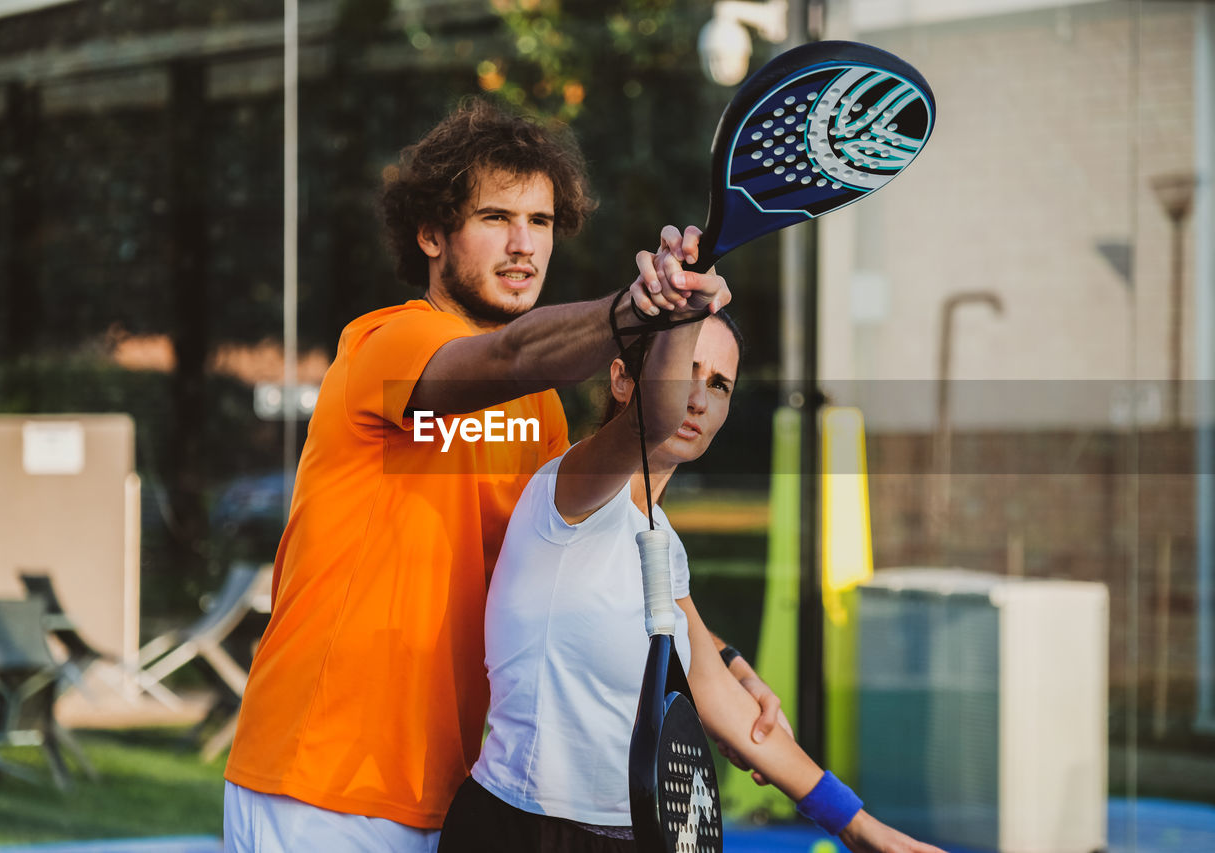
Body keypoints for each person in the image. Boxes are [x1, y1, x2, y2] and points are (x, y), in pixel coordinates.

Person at [222, 98, 782, 852]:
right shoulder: (386, 344)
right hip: (317, 782)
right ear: (430, 234)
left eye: (542, 222)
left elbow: (581, 559)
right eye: (495, 218)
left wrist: (719, 657)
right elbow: (505, 355)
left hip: (449, 792)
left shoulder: (541, 411)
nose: (523, 246)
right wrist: (637, 308)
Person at [436, 299, 949, 853]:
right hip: (522, 830)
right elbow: (653, 418)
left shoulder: (664, 547)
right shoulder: (567, 491)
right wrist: (686, 293)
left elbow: (723, 702)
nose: (698, 399)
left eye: (721, 384)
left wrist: (859, 827)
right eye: (683, 372)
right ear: (622, 378)